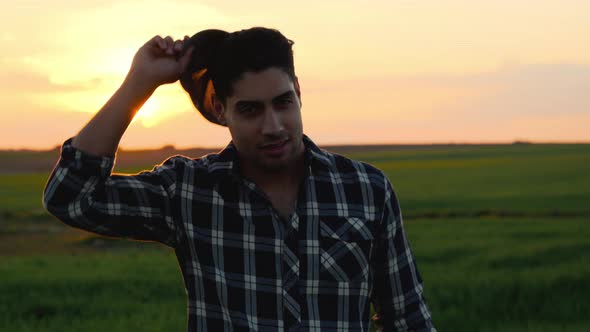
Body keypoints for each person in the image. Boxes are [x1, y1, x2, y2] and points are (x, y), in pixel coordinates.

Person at [43, 27, 436, 331]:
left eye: (283, 102)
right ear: (219, 109)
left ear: (298, 92)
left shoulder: (365, 190)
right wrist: (138, 85)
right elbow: (71, 197)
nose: (273, 126)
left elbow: (407, 319)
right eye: (250, 110)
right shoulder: (191, 192)